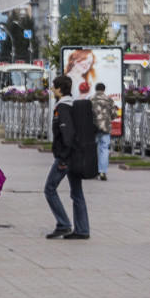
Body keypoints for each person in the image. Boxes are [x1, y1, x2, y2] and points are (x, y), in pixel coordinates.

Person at [45, 74, 89, 239]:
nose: (52, 89)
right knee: (77, 193)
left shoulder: (62, 107)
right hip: (76, 154)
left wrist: (63, 159)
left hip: (66, 156)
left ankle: (63, 224)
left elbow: (67, 134)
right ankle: (82, 229)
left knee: (49, 189)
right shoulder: (73, 104)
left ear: (59, 89)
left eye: (53, 87)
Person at [90, 82, 117, 181]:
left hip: (93, 128)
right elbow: (114, 115)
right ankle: (102, 171)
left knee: (92, 150)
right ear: (104, 90)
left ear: (96, 89)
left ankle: (92, 171)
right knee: (104, 149)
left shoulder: (91, 99)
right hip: (105, 128)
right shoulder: (109, 100)